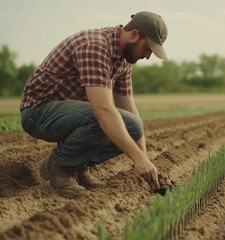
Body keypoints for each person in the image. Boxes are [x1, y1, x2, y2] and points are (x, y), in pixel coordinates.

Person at [20, 11, 167, 197]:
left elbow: (130, 112)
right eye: (147, 49)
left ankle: (77, 165)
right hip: (38, 112)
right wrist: (138, 159)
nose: (147, 56)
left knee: (133, 126)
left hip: (68, 114)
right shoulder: (95, 47)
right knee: (107, 118)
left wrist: (144, 159)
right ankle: (59, 167)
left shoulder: (123, 61)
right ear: (134, 34)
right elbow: (103, 110)